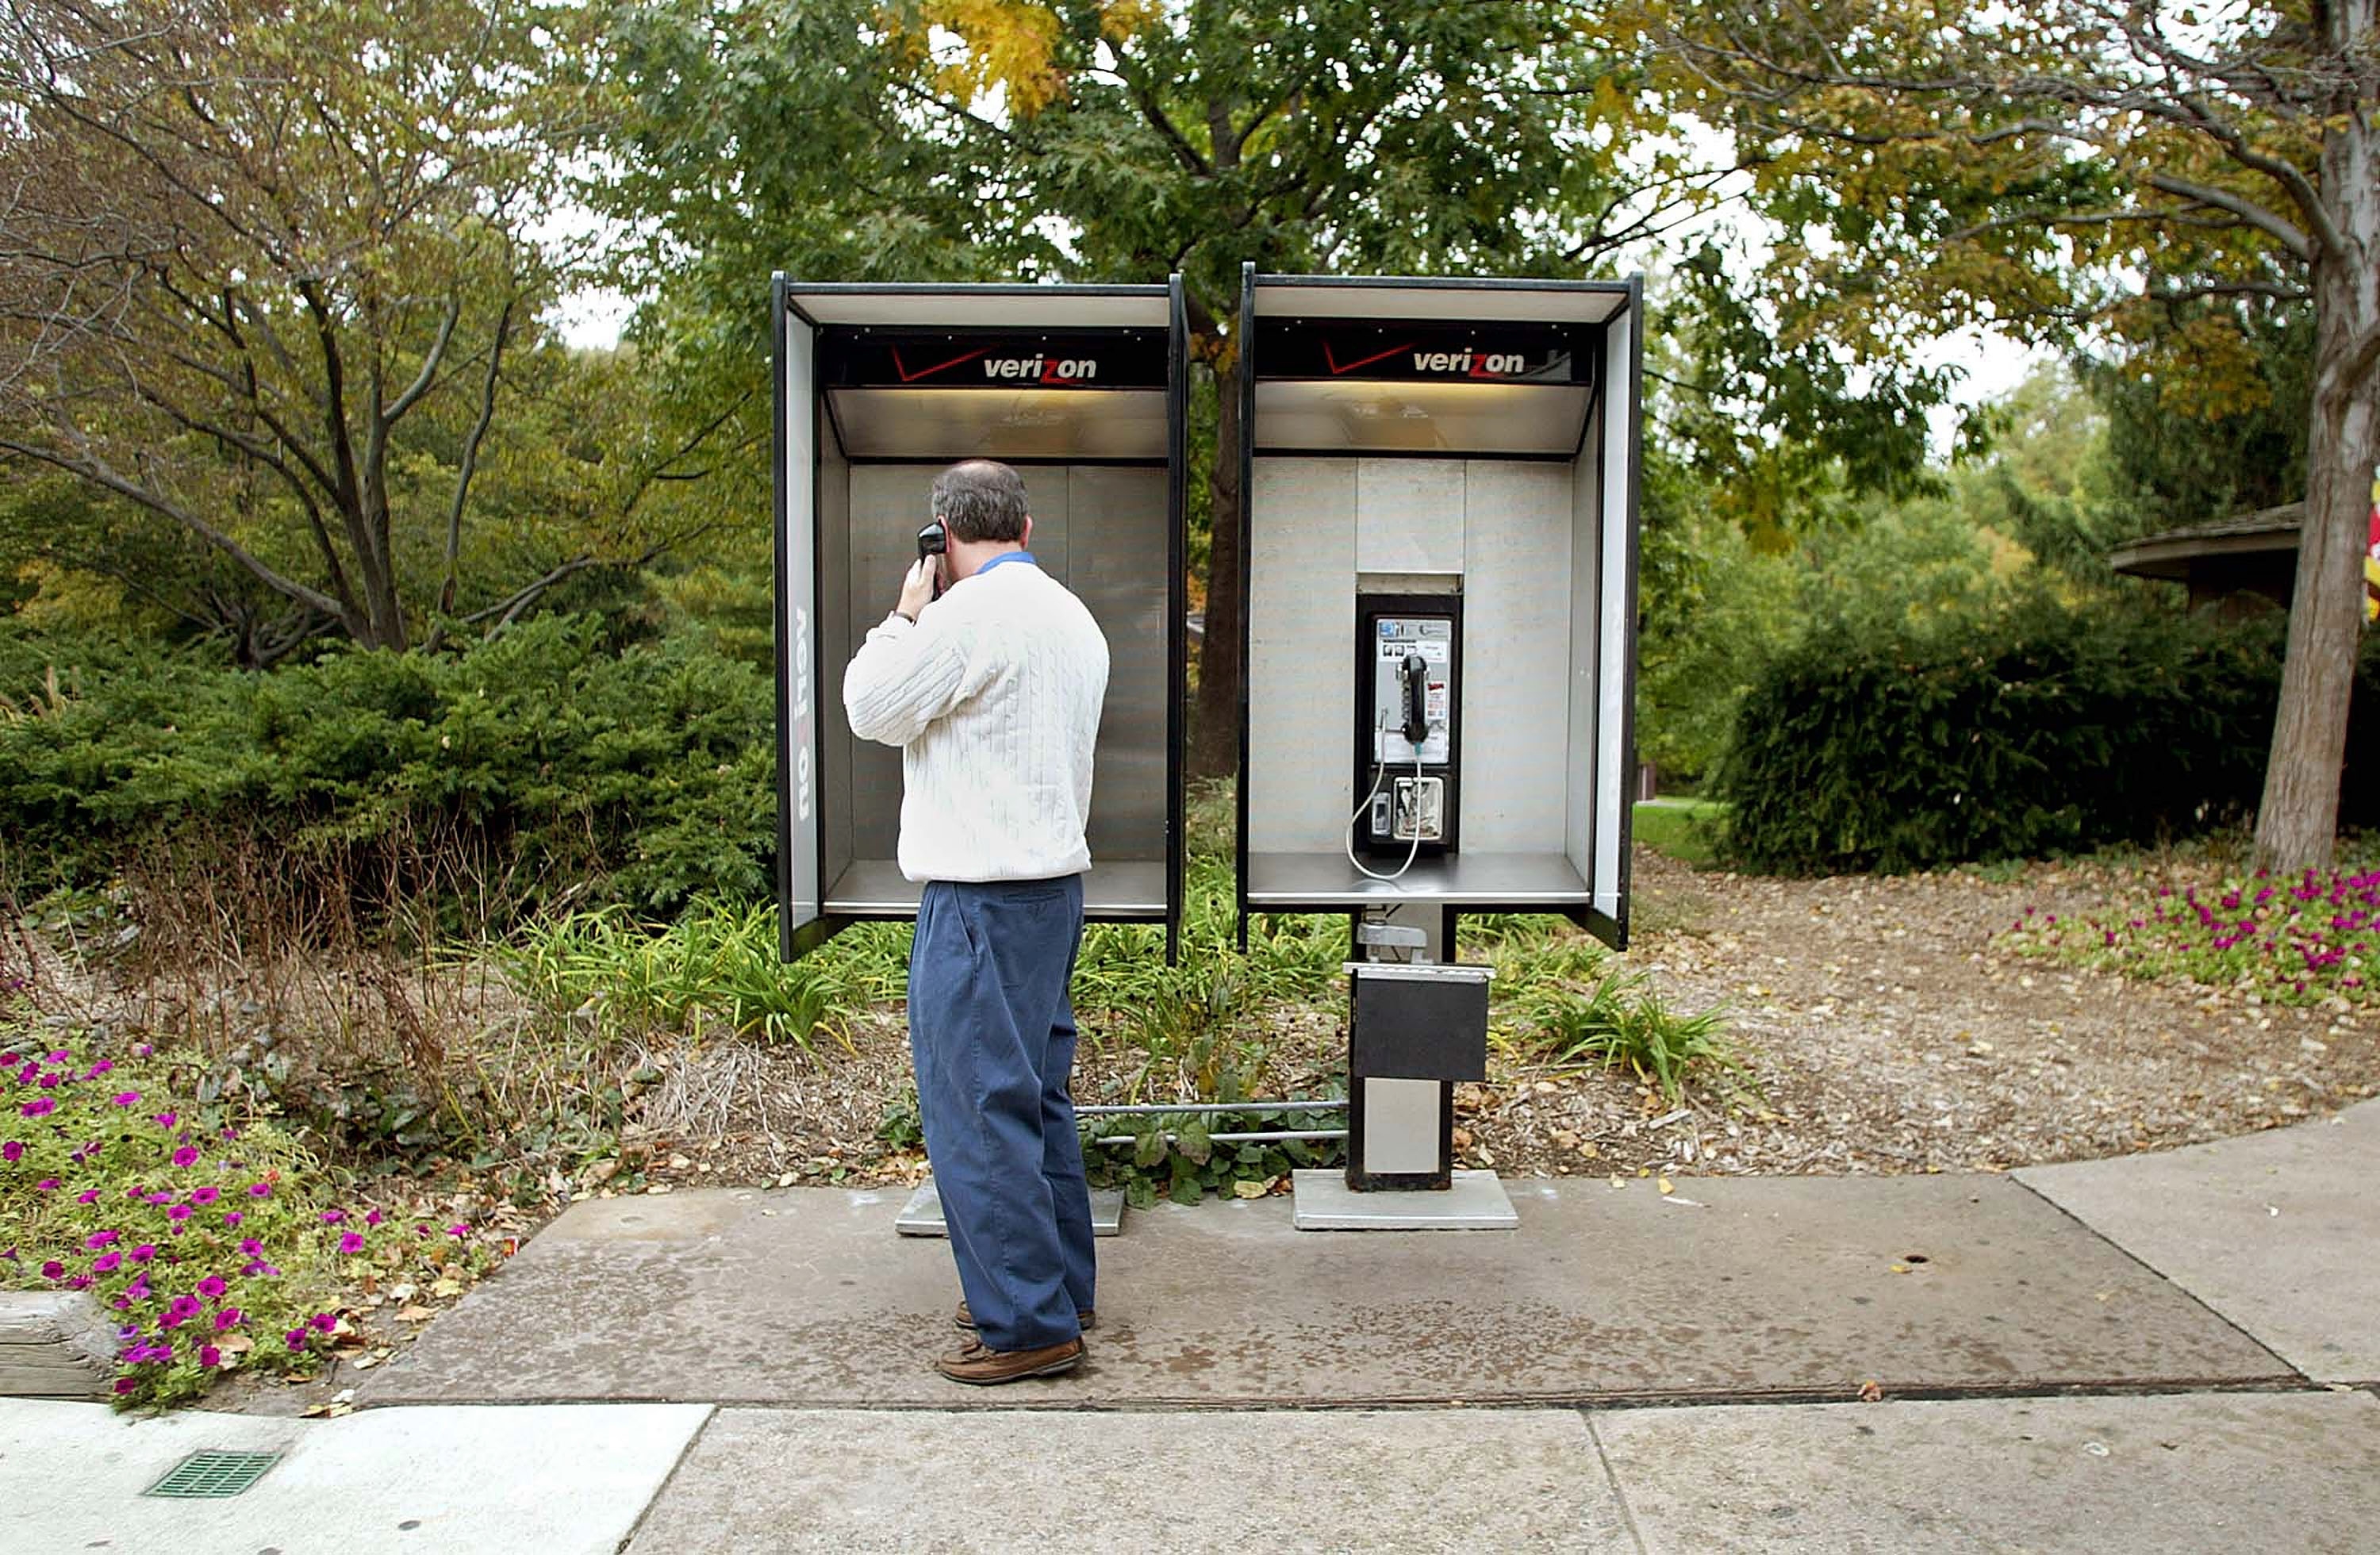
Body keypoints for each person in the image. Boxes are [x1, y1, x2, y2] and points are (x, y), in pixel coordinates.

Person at [842, 459, 1111, 1385]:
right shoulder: (1072, 617)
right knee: (1036, 1097)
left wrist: (907, 611)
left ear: (943, 538)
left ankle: (1028, 1323)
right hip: (1051, 893)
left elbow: (870, 707)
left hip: (978, 900)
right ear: (1027, 530)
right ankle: (1059, 1288)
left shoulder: (960, 618)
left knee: (975, 1108)